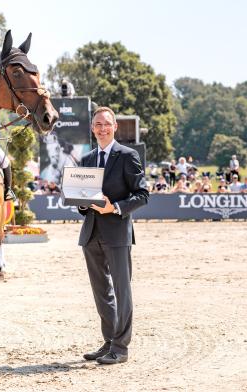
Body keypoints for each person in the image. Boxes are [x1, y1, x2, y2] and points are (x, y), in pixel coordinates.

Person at [78, 107, 149, 365]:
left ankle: (121, 348)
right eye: (98, 124)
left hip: (118, 232)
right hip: (91, 233)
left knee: (122, 291)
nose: (102, 128)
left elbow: (142, 195)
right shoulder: (86, 160)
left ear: (115, 127)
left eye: (107, 124)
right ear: (92, 128)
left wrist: (115, 207)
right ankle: (109, 341)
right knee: (101, 292)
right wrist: (82, 203)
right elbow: (81, 202)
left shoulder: (128, 156)